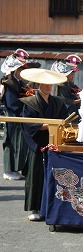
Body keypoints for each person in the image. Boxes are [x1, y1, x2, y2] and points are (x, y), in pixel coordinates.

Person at [19, 68, 69, 221]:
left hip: (54, 141)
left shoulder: (57, 101)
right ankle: (35, 207)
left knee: (54, 174)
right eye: (45, 84)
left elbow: (65, 119)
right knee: (36, 175)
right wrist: (48, 125)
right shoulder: (30, 102)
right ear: (38, 85)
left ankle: (49, 207)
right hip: (38, 142)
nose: (48, 87)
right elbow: (29, 124)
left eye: (50, 85)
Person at [1, 48, 39, 180]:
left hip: (20, 117)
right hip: (12, 116)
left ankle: (15, 169)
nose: (22, 72)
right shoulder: (8, 83)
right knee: (10, 144)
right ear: (14, 70)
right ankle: (7, 170)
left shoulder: (19, 82)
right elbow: (12, 104)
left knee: (19, 145)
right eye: (20, 69)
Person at [51, 55, 82, 123]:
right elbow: (66, 101)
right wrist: (81, 100)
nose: (73, 76)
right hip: (65, 112)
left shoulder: (69, 83)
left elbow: (75, 89)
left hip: (73, 111)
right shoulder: (61, 85)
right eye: (72, 74)